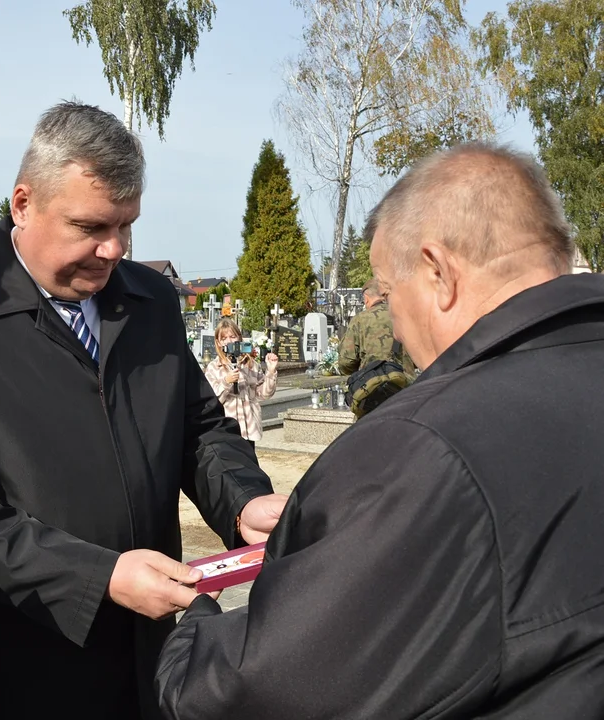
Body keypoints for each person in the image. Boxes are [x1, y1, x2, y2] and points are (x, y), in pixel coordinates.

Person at [155, 142, 604, 719]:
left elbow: (252, 693)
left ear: (438, 272)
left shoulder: (424, 446)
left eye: (389, 295)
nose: (391, 322)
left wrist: (191, 630)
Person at [0, 101, 287, 720]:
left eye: (127, 226)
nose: (113, 250)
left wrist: (244, 499)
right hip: (27, 663)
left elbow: (200, 430)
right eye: (91, 226)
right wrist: (99, 578)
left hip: (159, 652)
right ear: (23, 205)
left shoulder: (149, 301)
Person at [203, 318, 279, 449]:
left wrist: (271, 372)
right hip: (225, 430)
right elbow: (212, 402)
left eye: (232, 336)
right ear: (218, 342)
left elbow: (264, 394)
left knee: (249, 467)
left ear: (239, 338)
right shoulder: (214, 367)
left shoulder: (250, 365)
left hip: (248, 431)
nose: (229, 341)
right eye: (224, 338)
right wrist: (226, 382)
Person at [337, 277, 415, 375]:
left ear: (366, 298)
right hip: (406, 383)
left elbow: (346, 362)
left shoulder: (360, 320)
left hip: (372, 384)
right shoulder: (406, 316)